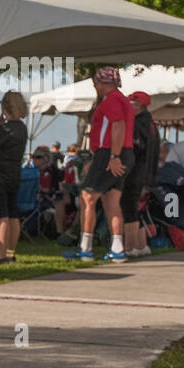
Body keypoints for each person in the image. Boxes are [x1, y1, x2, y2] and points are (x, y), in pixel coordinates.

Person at [64, 67, 133, 262]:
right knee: (111, 202)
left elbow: (118, 125)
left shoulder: (111, 100)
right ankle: (117, 250)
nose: (95, 86)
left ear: (104, 83)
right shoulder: (122, 99)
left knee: (87, 197)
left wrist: (114, 156)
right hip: (118, 152)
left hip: (110, 153)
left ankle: (85, 248)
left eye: (96, 82)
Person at [0, 90, 28, 263]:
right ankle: (11, 252)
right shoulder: (23, 128)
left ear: (6, 107)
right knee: (13, 214)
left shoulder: (5, 129)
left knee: (1, 214)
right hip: (15, 173)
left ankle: (2, 255)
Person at [120, 91, 160, 257]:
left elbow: (135, 148)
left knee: (128, 207)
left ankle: (129, 247)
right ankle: (141, 244)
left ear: (139, 106)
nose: (128, 107)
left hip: (135, 172)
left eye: (131, 104)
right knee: (139, 208)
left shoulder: (137, 123)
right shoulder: (151, 125)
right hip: (147, 174)